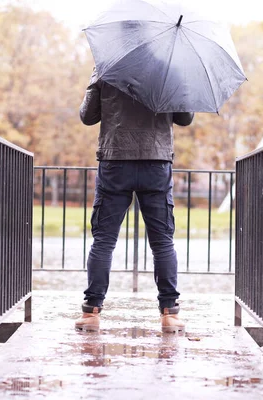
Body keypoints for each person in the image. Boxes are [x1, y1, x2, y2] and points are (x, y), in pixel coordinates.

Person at [75, 67, 194, 333]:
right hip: (156, 163)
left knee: (104, 239)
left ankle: (91, 313)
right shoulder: (169, 67)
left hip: (115, 161)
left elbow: (87, 116)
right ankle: (169, 314)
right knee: (162, 241)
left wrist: (95, 79)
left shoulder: (107, 66)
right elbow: (185, 118)